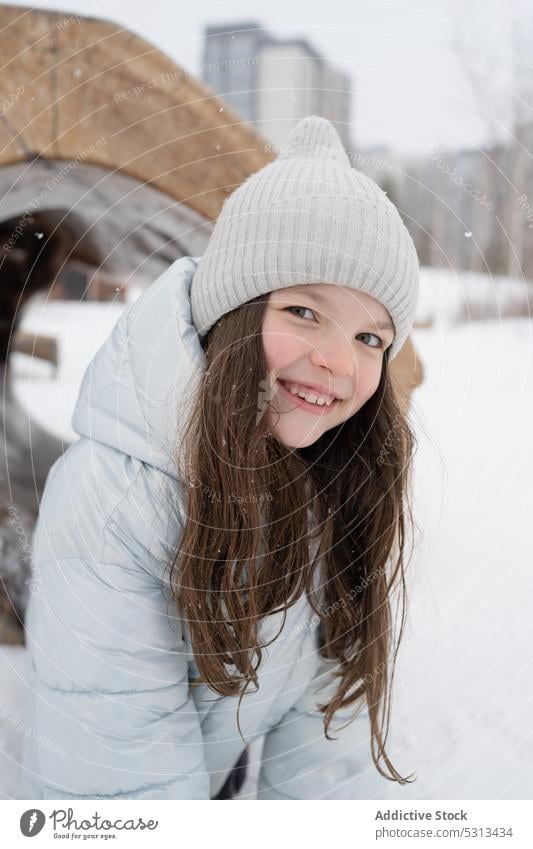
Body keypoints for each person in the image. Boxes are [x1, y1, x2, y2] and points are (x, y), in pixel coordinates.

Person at [22, 115, 420, 800]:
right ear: (231, 314)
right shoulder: (112, 501)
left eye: (369, 337)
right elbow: (120, 783)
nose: (336, 360)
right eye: (302, 311)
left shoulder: (338, 485)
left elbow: (329, 763)